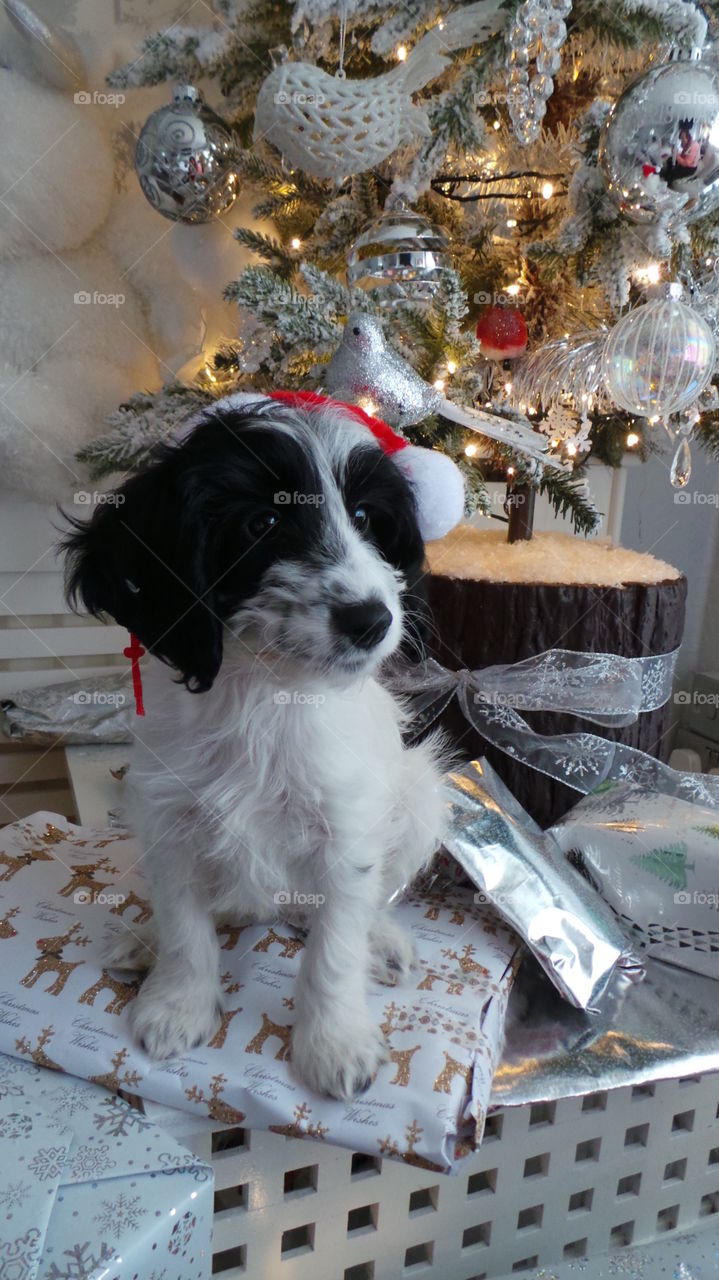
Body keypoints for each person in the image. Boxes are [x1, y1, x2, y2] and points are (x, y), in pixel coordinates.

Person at [661, 119, 701, 186]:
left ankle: (667, 183)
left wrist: (676, 155)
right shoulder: (687, 143)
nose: (682, 141)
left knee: (673, 173)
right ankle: (665, 175)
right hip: (684, 162)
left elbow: (686, 163)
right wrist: (676, 154)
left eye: (683, 138)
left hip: (689, 168)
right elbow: (683, 154)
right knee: (670, 161)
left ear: (688, 137)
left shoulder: (693, 146)